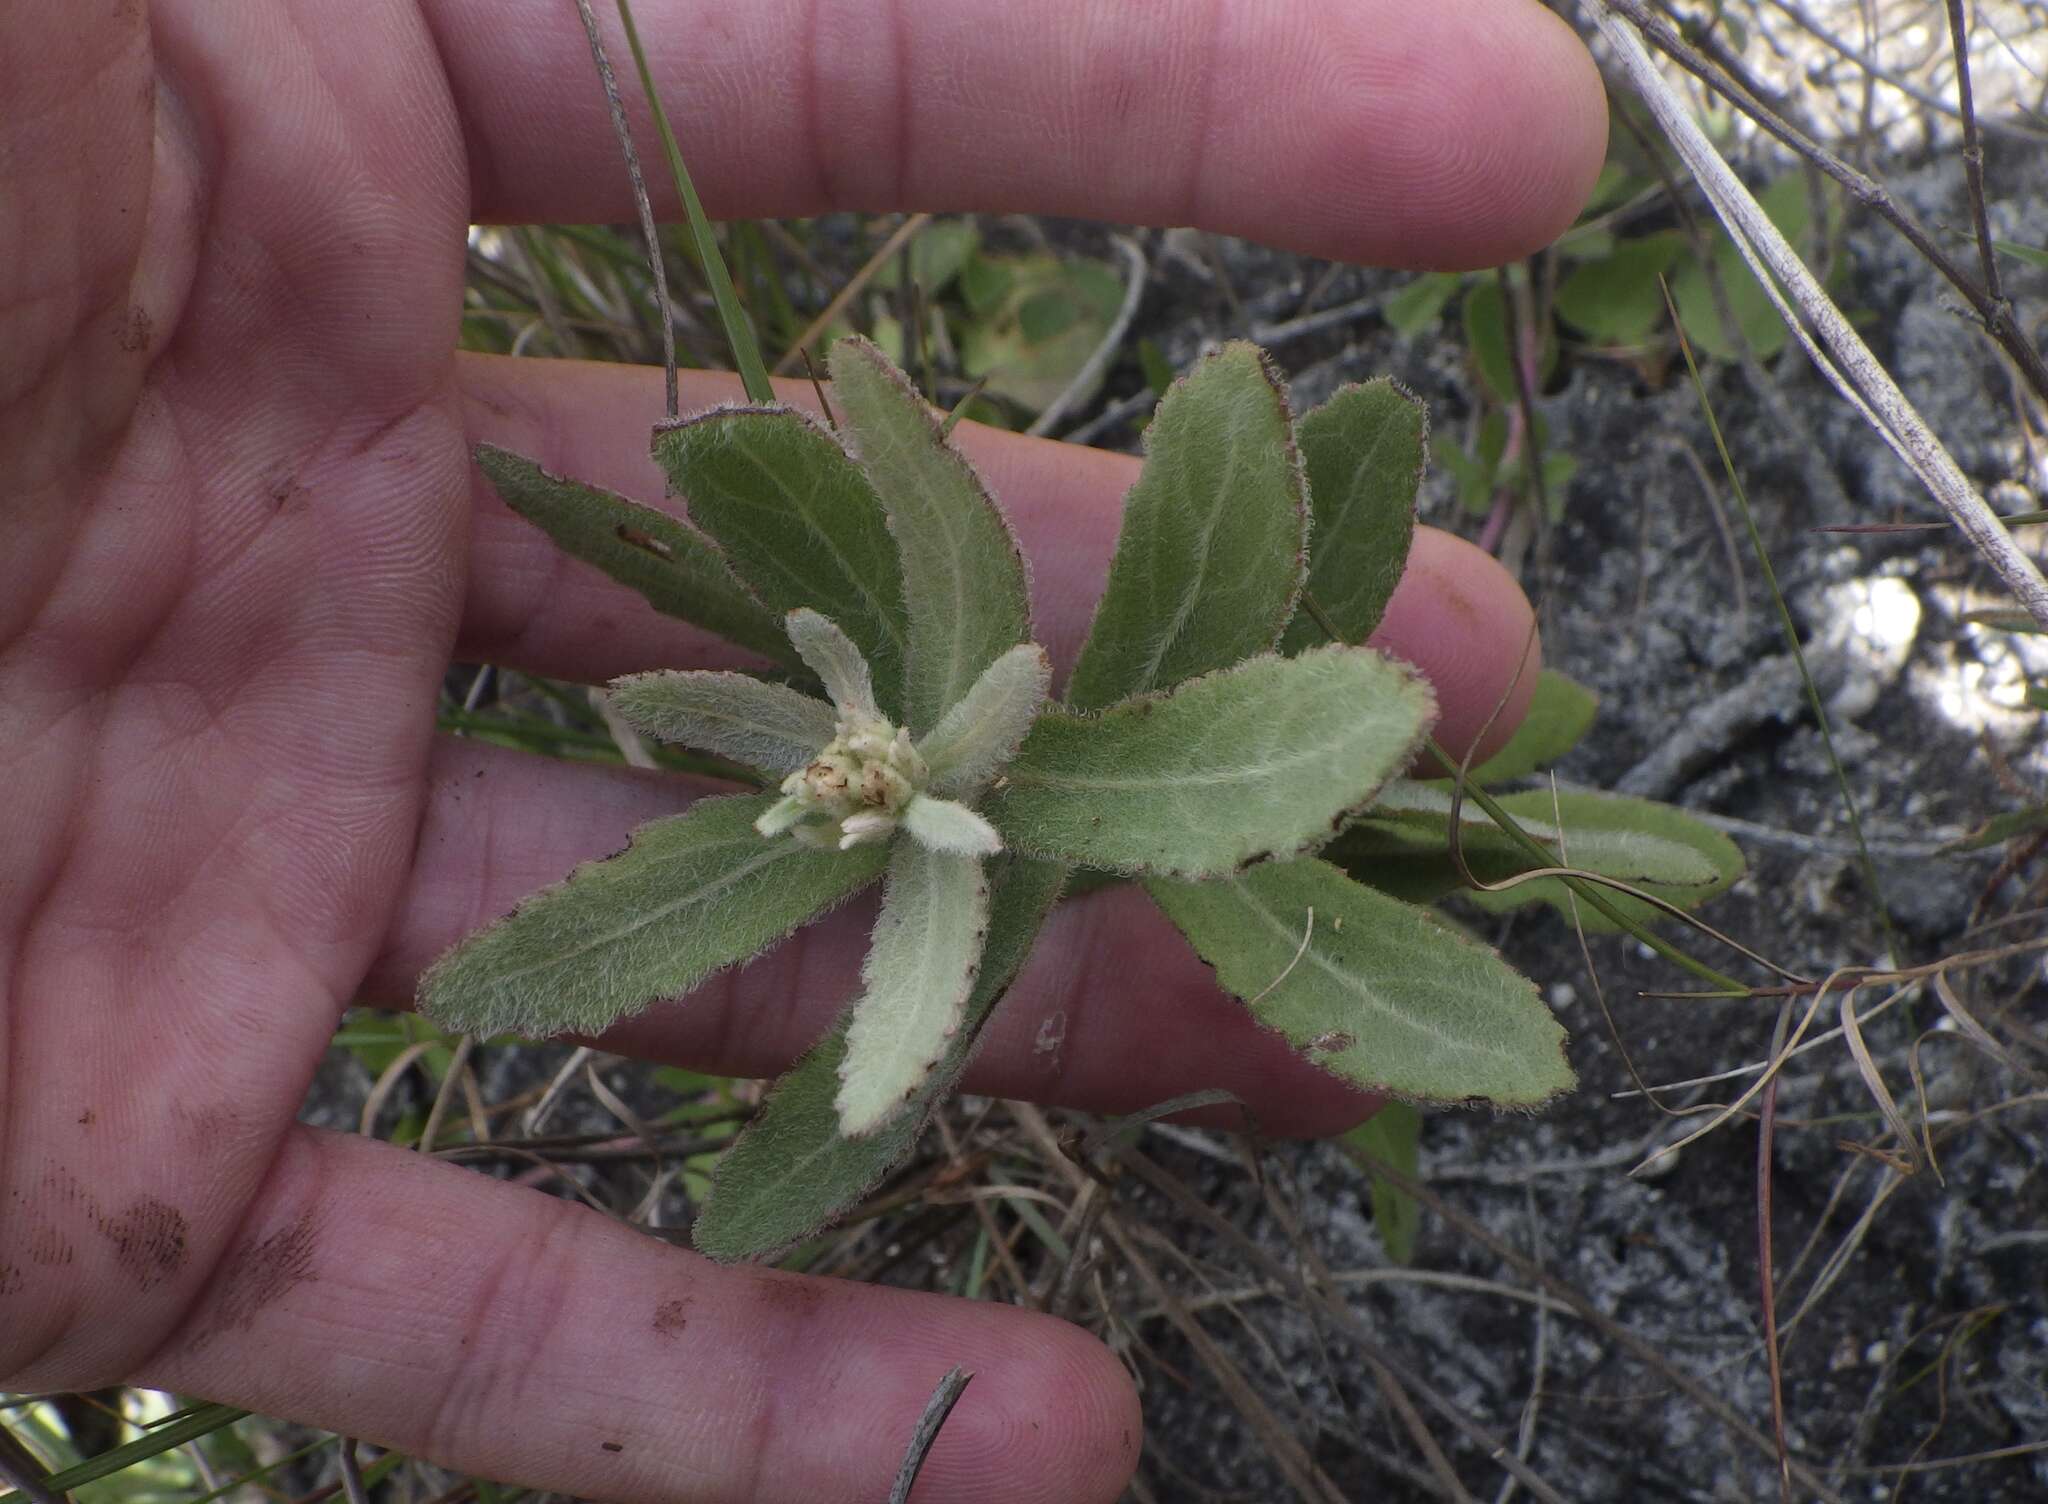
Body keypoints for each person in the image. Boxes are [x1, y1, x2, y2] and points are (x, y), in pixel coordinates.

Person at [0, 3, 1604, 1499]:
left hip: (1041, 763)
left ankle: (1519, 844)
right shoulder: (873, 805)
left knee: (1402, 712)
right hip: (968, 801)